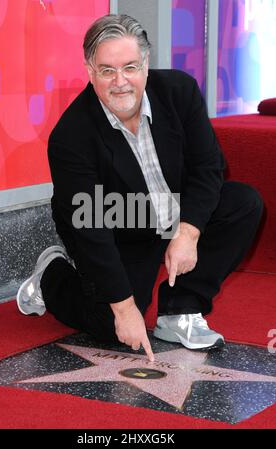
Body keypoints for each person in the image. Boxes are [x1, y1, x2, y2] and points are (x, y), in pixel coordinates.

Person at [16, 14, 263, 362]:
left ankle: (180, 309)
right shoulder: (70, 136)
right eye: (106, 70)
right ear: (89, 70)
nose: (120, 82)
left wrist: (188, 233)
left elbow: (209, 168)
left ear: (145, 64)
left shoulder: (180, 91)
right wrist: (123, 307)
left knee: (243, 203)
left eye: (130, 67)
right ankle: (50, 277)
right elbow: (92, 228)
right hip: (114, 224)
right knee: (111, 327)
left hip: (169, 207)